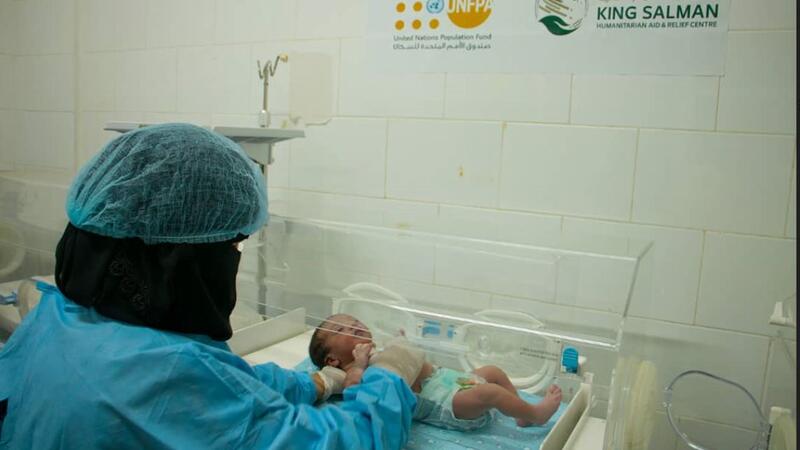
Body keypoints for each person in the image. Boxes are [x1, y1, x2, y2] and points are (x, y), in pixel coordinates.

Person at [0, 123, 424, 449]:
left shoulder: (59, 315)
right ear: (180, 257)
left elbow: (220, 384)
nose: (233, 259)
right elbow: (341, 442)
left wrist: (318, 382)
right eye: (231, 246)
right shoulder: (162, 374)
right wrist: (390, 374)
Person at [309, 314, 563, 431]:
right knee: (490, 392)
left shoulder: (380, 351)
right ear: (332, 359)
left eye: (354, 321)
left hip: (451, 381)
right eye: (340, 329)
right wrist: (359, 364)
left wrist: (400, 343)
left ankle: (521, 415)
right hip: (444, 404)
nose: (352, 324)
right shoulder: (347, 370)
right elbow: (354, 390)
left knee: (493, 371)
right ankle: (536, 414)